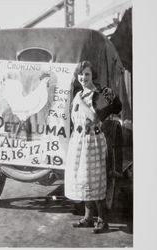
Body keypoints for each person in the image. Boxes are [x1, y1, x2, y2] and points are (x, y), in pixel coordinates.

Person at [64, 60, 122, 233]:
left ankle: (103, 221)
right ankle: (88, 218)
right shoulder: (78, 94)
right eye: (80, 75)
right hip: (79, 141)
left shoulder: (99, 94)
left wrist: (80, 101)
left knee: (95, 181)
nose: (83, 78)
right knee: (83, 180)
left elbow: (95, 117)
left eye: (87, 74)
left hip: (93, 142)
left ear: (92, 75)